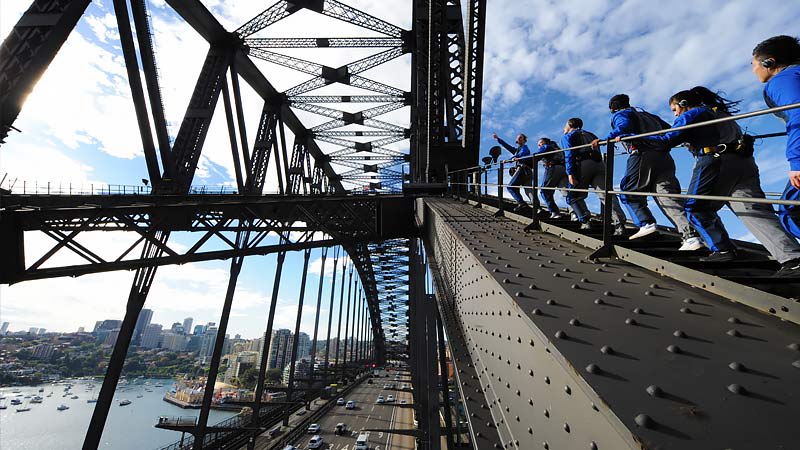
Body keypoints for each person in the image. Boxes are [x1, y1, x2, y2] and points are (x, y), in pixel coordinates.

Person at [632, 86, 800, 274]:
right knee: (753, 210)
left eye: (674, 109)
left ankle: (722, 249)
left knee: (696, 207)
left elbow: (667, 140)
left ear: (683, 104)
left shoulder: (693, 114)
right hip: (744, 163)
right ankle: (792, 258)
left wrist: (635, 139)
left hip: (715, 162)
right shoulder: (719, 113)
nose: (675, 114)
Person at [591, 94, 704, 250]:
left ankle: (645, 223)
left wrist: (605, 139)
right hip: (663, 157)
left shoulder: (621, 114)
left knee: (629, 192)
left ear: (613, 108)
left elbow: (622, 127)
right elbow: (670, 130)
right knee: (667, 196)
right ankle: (691, 236)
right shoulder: (649, 115)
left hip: (642, 153)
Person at [752, 35, 800, 243]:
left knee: (791, 210)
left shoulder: (783, 80)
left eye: (753, 64)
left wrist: (797, 161)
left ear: (768, 62)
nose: (753, 70)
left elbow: (798, 112)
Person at [561, 118, 626, 233]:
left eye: (565, 125)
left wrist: (570, 173)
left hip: (582, 165)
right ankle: (619, 224)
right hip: (599, 164)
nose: (564, 128)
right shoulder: (591, 134)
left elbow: (569, 153)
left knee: (572, 196)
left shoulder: (568, 136)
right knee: (606, 194)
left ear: (570, 125)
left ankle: (585, 220)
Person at [492, 132, 534, 212]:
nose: (518, 139)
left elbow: (521, 154)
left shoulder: (524, 148)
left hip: (523, 169)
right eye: (517, 137)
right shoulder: (516, 150)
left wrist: (509, 160)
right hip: (526, 171)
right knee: (528, 190)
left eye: (520, 137)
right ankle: (536, 207)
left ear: (524, 140)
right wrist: (498, 139)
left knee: (511, 186)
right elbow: (507, 146)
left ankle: (522, 203)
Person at [535, 137, 573, 218]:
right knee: (565, 191)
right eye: (538, 145)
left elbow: (537, 156)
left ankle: (554, 211)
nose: (539, 146)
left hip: (553, 168)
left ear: (545, 143)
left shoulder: (546, 147)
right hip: (563, 169)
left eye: (540, 143)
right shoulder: (556, 148)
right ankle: (575, 212)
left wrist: (531, 159)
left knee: (544, 190)